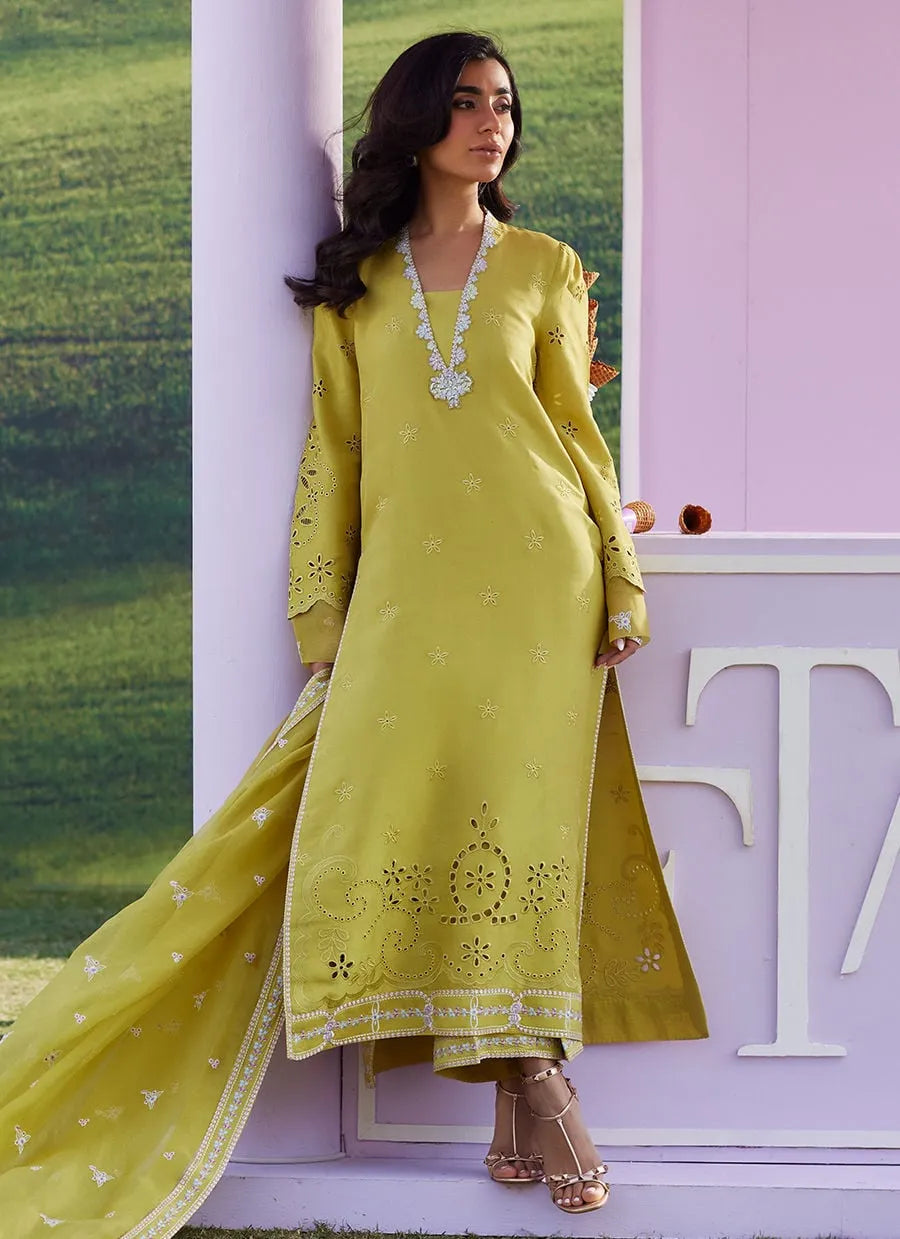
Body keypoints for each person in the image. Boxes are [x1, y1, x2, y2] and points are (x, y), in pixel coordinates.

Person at [0, 32, 706, 1234]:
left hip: (543, 586)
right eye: (470, 103)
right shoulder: (358, 283)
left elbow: (577, 445)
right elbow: (335, 454)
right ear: (419, 119)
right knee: (405, 826)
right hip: (406, 605)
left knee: (518, 829)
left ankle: (532, 1089)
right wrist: (319, 612)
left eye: (506, 105)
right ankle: (524, 1086)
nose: (495, 124)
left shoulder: (544, 265)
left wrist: (623, 580)